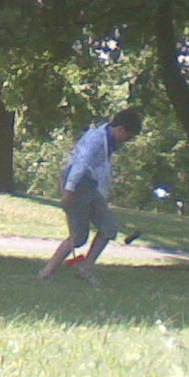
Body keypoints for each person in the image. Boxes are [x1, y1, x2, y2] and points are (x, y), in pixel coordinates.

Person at [38, 108, 143, 286]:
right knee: (78, 237)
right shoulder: (95, 139)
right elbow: (80, 164)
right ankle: (45, 273)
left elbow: (102, 170)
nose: (127, 141)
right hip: (77, 183)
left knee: (109, 229)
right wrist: (68, 191)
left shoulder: (109, 141)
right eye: (129, 136)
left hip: (91, 186)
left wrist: (103, 194)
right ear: (121, 129)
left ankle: (85, 268)